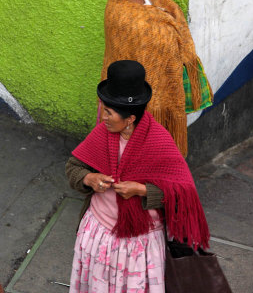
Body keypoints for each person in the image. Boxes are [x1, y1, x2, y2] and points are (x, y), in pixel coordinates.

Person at [66, 60, 210, 293]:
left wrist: (142, 190)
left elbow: (184, 196)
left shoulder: (159, 142)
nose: (103, 117)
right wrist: (88, 179)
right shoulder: (102, 134)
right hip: (98, 236)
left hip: (139, 247)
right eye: (104, 108)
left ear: (130, 118)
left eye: (110, 113)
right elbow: (73, 167)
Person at [100, 0, 213, 157]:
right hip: (142, 107)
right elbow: (161, 59)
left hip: (123, 95)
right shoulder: (140, 24)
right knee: (142, 155)